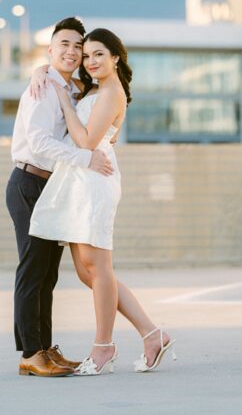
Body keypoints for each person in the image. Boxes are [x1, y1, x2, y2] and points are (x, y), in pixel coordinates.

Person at [29, 28, 176, 376]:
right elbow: (57, 78)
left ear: (116, 57)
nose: (91, 60)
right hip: (80, 180)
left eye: (99, 54)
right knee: (88, 272)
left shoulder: (111, 92)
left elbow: (86, 141)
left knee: (99, 268)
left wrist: (64, 103)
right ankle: (152, 334)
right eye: (88, 54)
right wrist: (40, 71)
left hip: (94, 179)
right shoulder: (94, 89)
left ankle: (104, 346)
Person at [6, 17, 115, 378]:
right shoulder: (41, 89)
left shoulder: (70, 89)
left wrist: (42, 69)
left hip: (51, 187)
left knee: (48, 273)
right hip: (29, 182)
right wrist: (85, 158)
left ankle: (44, 348)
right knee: (33, 269)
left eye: (77, 47)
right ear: (51, 50)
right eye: (63, 45)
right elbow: (38, 141)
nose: (71, 51)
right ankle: (29, 353)